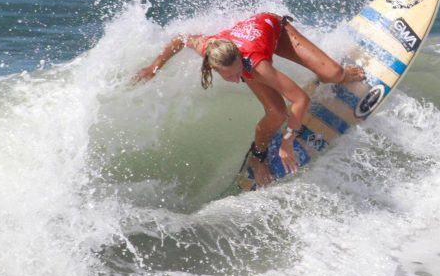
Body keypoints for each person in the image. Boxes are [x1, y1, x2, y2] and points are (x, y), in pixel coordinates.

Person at [135, 12, 364, 186]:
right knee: (277, 113)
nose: (237, 79)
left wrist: (287, 142)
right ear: (214, 66)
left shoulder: (254, 65)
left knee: (333, 74)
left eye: (238, 72)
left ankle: (330, 73)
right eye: (231, 75)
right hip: (251, 51)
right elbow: (181, 39)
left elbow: (301, 100)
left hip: (274, 29)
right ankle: (258, 155)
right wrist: (155, 67)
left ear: (239, 58)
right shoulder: (209, 48)